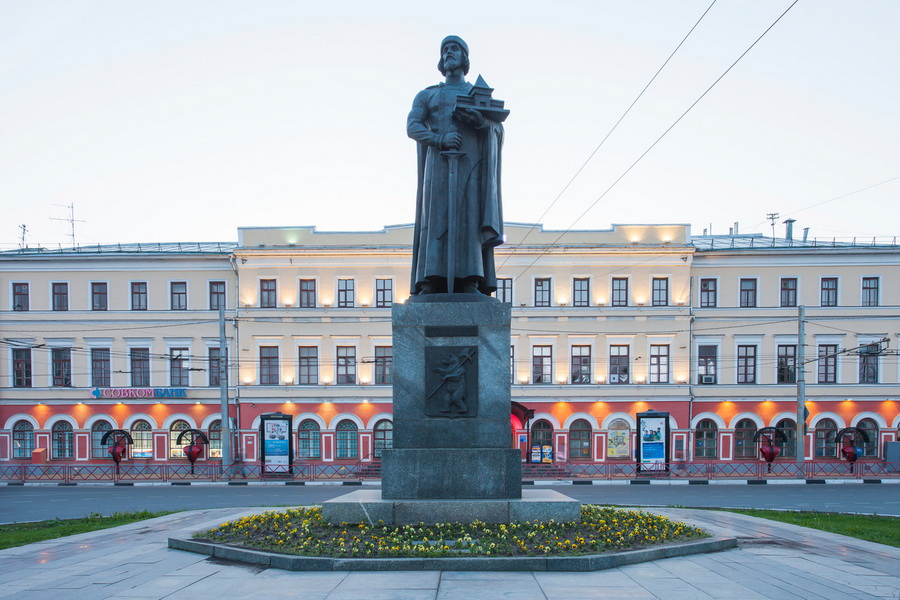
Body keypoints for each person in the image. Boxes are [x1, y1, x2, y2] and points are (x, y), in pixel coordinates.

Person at [407, 36, 505, 295]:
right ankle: (431, 278)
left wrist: (481, 123)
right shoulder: (428, 94)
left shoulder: (476, 94)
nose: (449, 53)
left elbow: (497, 128)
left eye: (455, 49)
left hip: (470, 168)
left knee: (469, 218)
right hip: (438, 167)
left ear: (465, 59)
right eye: (445, 50)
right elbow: (413, 126)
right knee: (436, 219)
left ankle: (471, 278)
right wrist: (439, 139)